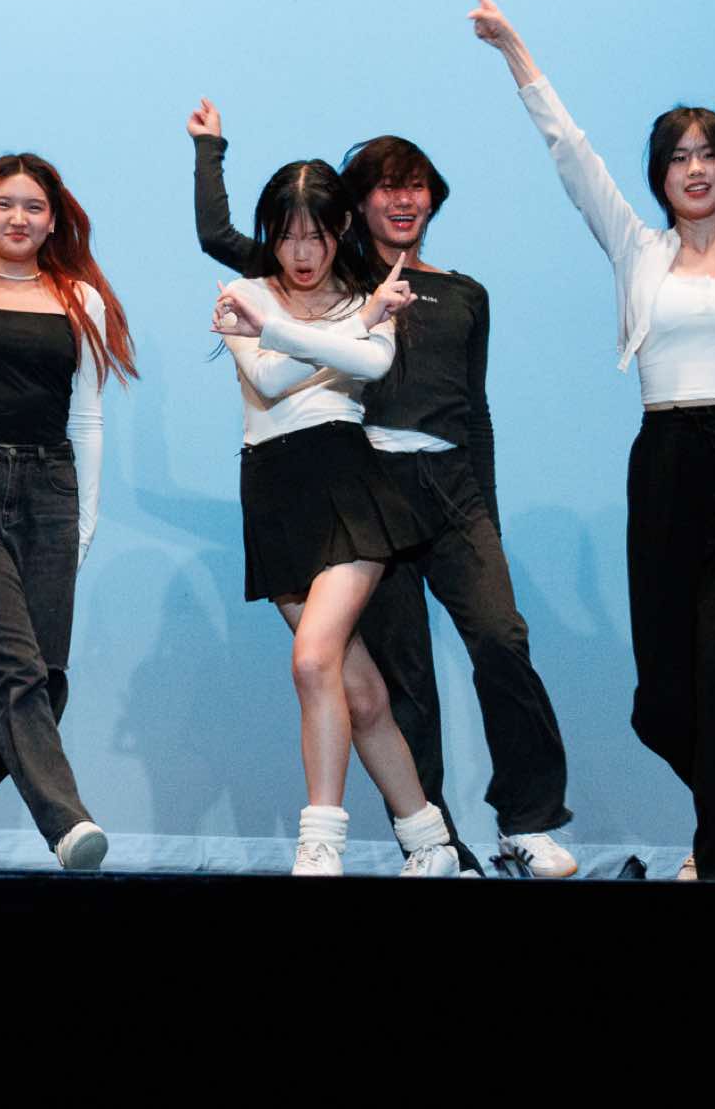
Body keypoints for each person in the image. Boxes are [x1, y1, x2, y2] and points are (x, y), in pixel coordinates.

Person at [462, 0, 715, 881]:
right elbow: (570, 150)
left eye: (709, 153)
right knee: (663, 697)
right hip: (665, 458)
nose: (695, 167)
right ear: (659, 174)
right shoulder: (639, 249)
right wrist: (516, 51)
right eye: (678, 156)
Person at [197, 93, 576, 876]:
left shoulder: (440, 293)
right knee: (386, 685)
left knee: (499, 639)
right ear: (355, 206)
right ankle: (433, 844)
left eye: (417, 186)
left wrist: (487, 512)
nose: (404, 200)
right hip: (345, 481)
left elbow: (472, 408)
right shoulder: (336, 280)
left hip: (435, 487)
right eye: (386, 186)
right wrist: (211, 152)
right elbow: (228, 244)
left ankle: (527, 822)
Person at [210, 155, 458, 876]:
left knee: (314, 659)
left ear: (340, 227)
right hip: (275, 492)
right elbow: (268, 377)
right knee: (360, 689)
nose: (301, 252)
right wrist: (350, 331)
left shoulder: (362, 297)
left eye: (316, 235)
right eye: (286, 236)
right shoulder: (245, 294)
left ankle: (320, 840)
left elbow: (373, 368)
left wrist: (328, 326)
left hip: (348, 484)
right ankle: (432, 844)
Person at [0, 153, 136, 872]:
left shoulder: (80, 298)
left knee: (47, 675)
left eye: (34, 206)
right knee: (15, 668)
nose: (18, 217)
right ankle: (67, 822)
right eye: (4, 204)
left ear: (53, 221)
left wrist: (84, 520)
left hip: (51, 491)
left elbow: (88, 416)